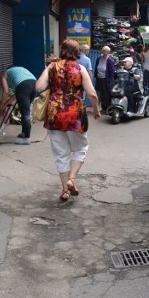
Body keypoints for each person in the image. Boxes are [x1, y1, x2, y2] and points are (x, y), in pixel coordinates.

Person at [35, 39, 101, 202]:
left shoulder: (52, 67)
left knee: (61, 154)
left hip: (55, 115)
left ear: (62, 50)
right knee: (80, 148)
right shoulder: (80, 69)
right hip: (75, 116)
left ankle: (65, 189)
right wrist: (97, 110)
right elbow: (92, 94)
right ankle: (72, 179)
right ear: (78, 52)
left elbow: (39, 87)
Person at [0, 66, 37, 145]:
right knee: (25, 112)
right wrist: (7, 104)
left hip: (23, 87)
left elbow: (6, 91)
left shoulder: (5, 74)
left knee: (25, 114)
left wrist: (2, 104)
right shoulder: (21, 70)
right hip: (34, 84)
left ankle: (26, 138)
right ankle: (24, 133)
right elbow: (16, 95)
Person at [94, 45, 115, 111]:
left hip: (106, 80)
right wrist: (95, 76)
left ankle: (108, 108)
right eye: (104, 51)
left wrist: (109, 80)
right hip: (99, 78)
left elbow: (112, 71)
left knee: (107, 94)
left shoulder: (110, 60)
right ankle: (103, 108)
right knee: (102, 94)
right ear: (102, 51)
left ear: (109, 52)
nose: (105, 53)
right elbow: (96, 68)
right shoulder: (99, 58)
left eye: (107, 52)